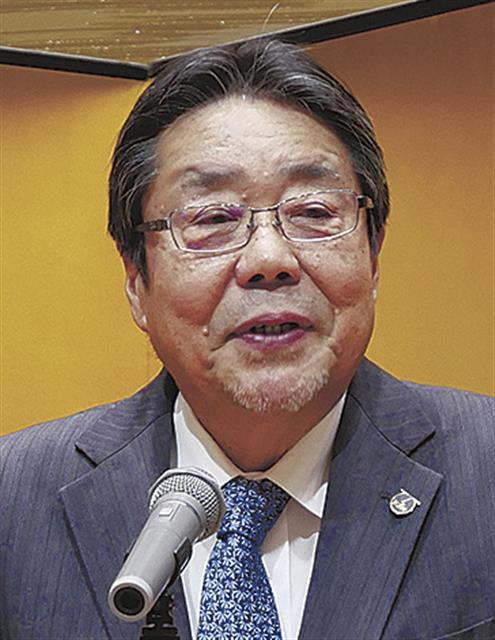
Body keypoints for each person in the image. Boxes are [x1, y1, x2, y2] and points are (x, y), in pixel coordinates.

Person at [0, 38, 493, 640]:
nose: (269, 259)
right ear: (135, 280)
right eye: (212, 219)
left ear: (374, 254)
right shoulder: (13, 501)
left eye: (314, 211)